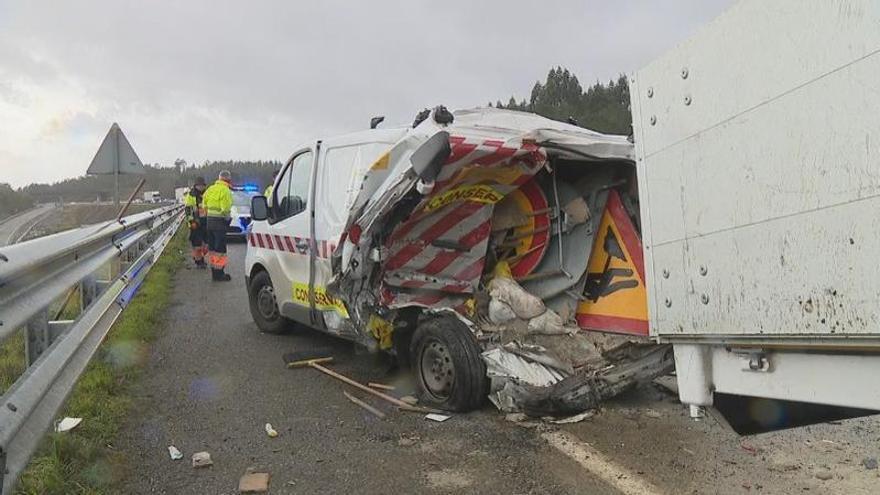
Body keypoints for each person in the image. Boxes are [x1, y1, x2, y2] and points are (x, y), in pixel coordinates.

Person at [203, 170, 234, 281]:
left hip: (209, 221)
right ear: (228, 180)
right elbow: (225, 209)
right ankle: (219, 273)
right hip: (219, 222)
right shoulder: (225, 191)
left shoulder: (210, 189)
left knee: (212, 248)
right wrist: (228, 219)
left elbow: (204, 204)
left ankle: (214, 272)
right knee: (220, 249)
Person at [183, 177, 208, 268]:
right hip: (195, 223)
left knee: (206, 244)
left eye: (202, 185)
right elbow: (188, 210)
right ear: (196, 186)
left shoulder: (207, 193)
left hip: (205, 221)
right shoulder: (191, 195)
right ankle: (199, 262)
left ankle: (199, 258)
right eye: (199, 185)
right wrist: (192, 221)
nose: (201, 187)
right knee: (197, 245)